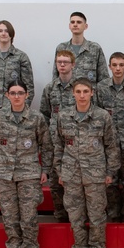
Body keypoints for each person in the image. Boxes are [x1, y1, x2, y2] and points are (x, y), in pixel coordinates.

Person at [54, 78, 121, 248]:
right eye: (78, 91)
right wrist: (59, 171)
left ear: (92, 93)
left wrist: (110, 172)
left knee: (97, 217)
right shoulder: (64, 116)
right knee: (76, 217)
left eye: (85, 91)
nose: (82, 95)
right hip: (71, 175)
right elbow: (58, 145)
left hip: (96, 175)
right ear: (73, 94)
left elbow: (112, 145)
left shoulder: (102, 116)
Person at [0, 81, 53, 248]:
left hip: (29, 174)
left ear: (27, 95)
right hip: (5, 175)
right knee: (10, 219)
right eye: (13, 93)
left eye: (20, 93)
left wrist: (46, 170)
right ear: (7, 95)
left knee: (28, 219)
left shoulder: (36, 118)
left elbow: (47, 146)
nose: (17, 96)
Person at [95, 52, 124, 221]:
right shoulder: (100, 88)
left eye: (121, 65)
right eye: (114, 65)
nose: (118, 68)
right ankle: (113, 213)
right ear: (109, 67)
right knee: (110, 181)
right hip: (108, 144)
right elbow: (96, 115)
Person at [39, 49, 77, 221]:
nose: (62, 65)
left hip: (75, 143)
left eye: (65, 62)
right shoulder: (50, 88)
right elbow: (44, 114)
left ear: (73, 64)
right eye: (59, 62)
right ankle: (60, 215)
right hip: (55, 143)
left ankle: (75, 216)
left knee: (74, 183)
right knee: (55, 183)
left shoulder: (81, 88)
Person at [51, 12, 109, 83]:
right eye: (72, 22)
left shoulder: (95, 48)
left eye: (79, 22)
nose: (75, 24)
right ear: (69, 26)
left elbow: (104, 78)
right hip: (66, 93)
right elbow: (55, 76)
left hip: (89, 93)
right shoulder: (62, 48)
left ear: (86, 26)